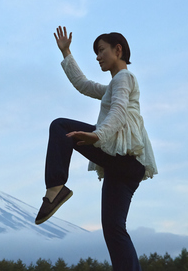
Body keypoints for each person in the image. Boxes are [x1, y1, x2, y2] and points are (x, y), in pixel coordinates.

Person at [35, 26, 157, 271]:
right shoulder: (114, 85)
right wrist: (66, 53)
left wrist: (96, 135)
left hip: (122, 157)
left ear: (118, 49)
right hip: (125, 168)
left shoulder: (124, 78)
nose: (98, 57)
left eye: (101, 51)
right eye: (95, 53)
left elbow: (119, 111)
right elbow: (84, 85)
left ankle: (55, 189)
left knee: (60, 127)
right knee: (114, 229)